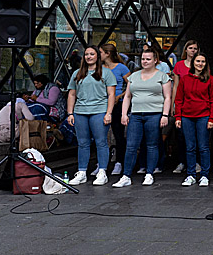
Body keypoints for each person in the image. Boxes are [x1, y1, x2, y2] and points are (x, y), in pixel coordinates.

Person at [113, 47, 172, 188]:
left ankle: (149, 173)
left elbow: (168, 97)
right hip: (136, 114)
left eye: (148, 59)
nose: (145, 61)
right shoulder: (134, 76)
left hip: (154, 114)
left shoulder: (163, 76)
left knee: (152, 145)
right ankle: (126, 176)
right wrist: (124, 113)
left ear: (155, 60)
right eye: (143, 59)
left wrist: (165, 115)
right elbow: (127, 96)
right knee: (131, 145)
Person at [65, 46, 118, 185]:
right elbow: (71, 94)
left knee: (101, 143)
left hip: (99, 111)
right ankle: (82, 172)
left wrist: (109, 113)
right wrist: (70, 113)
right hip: (80, 112)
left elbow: (112, 94)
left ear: (97, 56)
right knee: (82, 143)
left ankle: (102, 172)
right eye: (87, 54)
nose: (89, 56)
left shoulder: (106, 73)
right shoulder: (77, 73)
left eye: (92, 54)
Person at [174, 53, 213, 187]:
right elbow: (179, 99)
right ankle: (191, 175)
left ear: (206, 64)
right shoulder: (185, 79)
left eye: (203, 62)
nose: (200, 64)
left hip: (203, 116)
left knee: (204, 147)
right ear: (193, 63)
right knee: (190, 147)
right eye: (198, 61)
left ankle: (204, 175)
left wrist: (212, 118)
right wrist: (178, 116)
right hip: (187, 116)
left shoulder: (210, 79)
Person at [100, 43, 130, 174]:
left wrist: (121, 96)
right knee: (101, 135)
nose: (98, 55)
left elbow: (131, 84)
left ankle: (119, 162)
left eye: (100, 52)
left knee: (118, 134)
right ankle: (101, 163)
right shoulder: (99, 68)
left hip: (117, 102)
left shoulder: (121, 68)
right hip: (102, 102)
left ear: (107, 54)